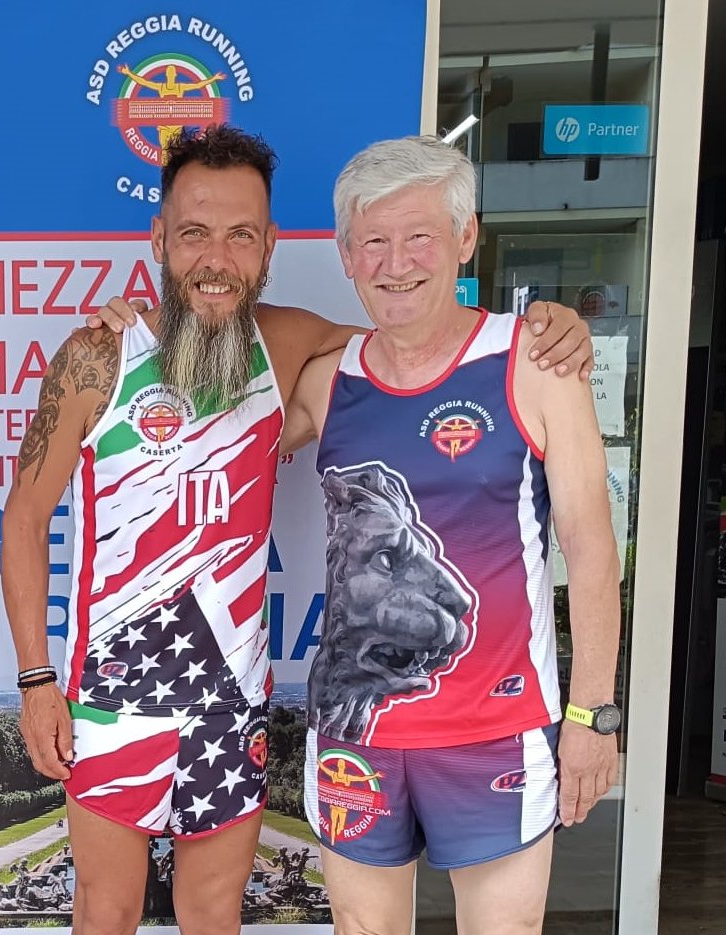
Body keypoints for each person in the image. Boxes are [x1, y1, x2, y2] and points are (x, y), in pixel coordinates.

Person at [3, 125, 591, 935]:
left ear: (270, 247)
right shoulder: (97, 357)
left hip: (230, 699)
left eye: (241, 235)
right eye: (194, 233)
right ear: (159, 239)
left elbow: (423, 345)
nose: (216, 258)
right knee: (105, 913)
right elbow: (24, 520)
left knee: (213, 914)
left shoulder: (290, 345)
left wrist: (550, 331)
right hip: (113, 695)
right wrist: (36, 681)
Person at [276, 136, 621, 935]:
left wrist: (593, 714)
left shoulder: (533, 361)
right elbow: (212, 407)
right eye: (374, 241)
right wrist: (128, 329)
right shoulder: (327, 381)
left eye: (420, 236)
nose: (397, 263)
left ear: (467, 238)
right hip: (356, 732)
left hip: (495, 730)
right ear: (346, 256)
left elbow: (592, 550)